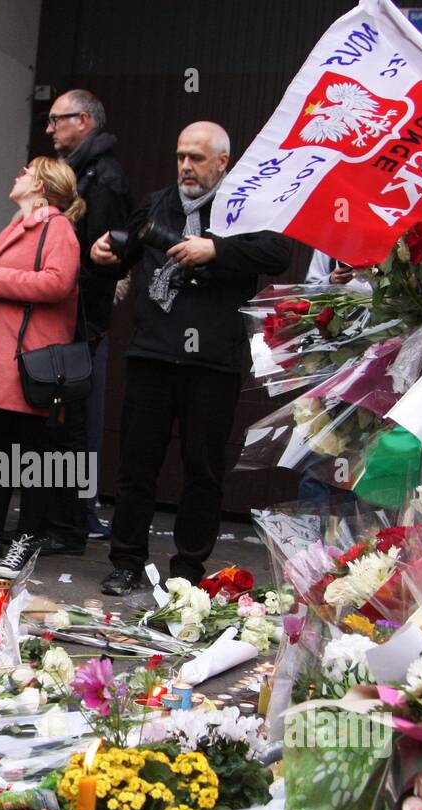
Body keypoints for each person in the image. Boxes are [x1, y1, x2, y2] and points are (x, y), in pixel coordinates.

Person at [90, 121, 292, 595]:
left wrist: (215, 248)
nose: (185, 166)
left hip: (212, 363)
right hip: (152, 354)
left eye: (196, 158)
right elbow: (127, 249)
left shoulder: (245, 205)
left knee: (203, 471)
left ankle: (186, 571)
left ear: (222, 162)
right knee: (136, 466)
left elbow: (278, 251)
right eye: (181, 155)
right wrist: (104, 250)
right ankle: (126, 563)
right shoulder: (159, 202)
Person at [0, 158, 84, 579]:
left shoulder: (57, 227)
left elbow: (59, 281)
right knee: (4, 448)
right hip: (3, 355)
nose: (16, 174)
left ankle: (25, 538)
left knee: (34, 453)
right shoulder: (18, 223)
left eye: (24, 171)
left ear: (40, 183)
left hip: (32, 360)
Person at [44, 88, 133, 547]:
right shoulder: (78, 172)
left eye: (57, 119)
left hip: (80, 320)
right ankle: (56, 520)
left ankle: (70, 525)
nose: (49, 128)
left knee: (72, 424)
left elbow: (109, 254)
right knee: (56, 422)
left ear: (83, 121)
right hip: (65, 317)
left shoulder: (104, 177)